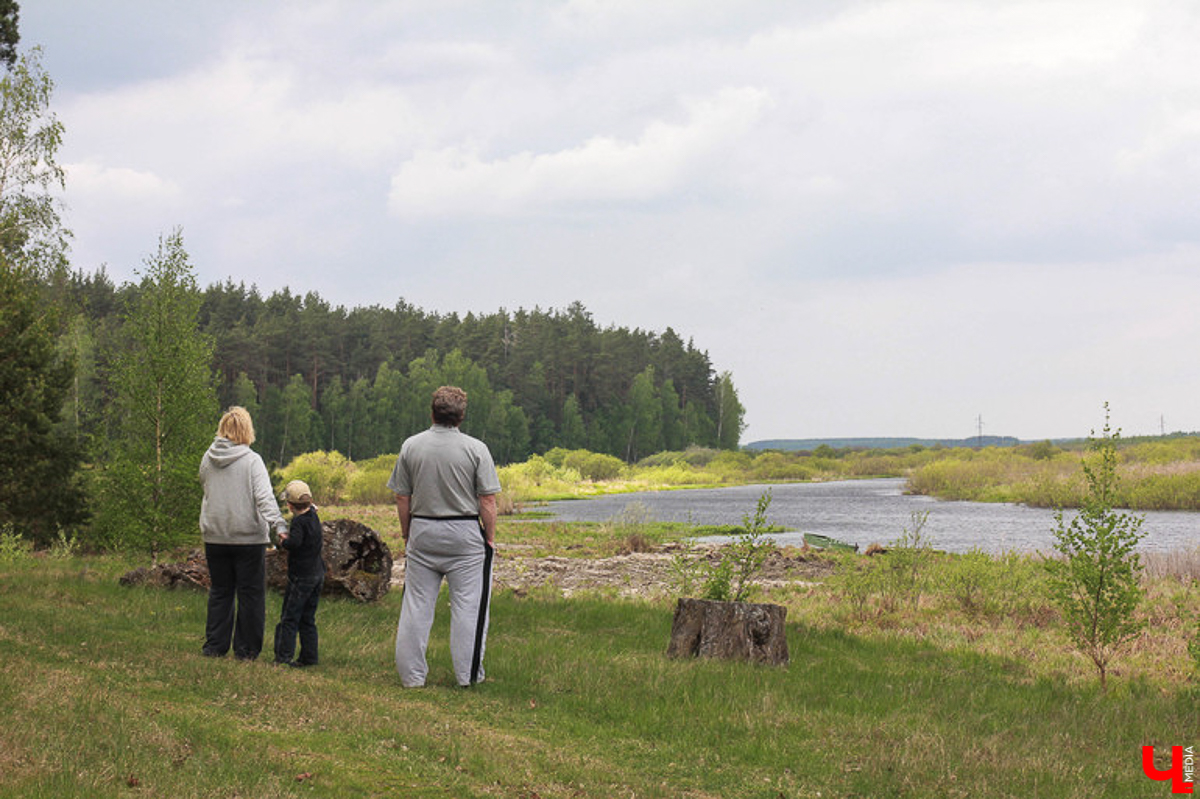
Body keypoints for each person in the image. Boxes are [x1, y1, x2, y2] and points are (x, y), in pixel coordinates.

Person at [389, 385, 502, 687]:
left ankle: (412, 677)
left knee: (416, 605)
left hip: (423, 529)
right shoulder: (476, 449)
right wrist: (489, 538)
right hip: (464, 533)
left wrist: (406, 533)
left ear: (432, 412)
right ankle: (468, 676)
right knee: (468, 607)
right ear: (462, 416)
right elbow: (487, 501)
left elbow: (402, 496)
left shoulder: (411, 446)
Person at [198, 406, 288, 661]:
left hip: (215, 535)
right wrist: (279, 526)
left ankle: (214, 647)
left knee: (220, 591)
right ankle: (246, 650)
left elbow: (205, 486)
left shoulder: (208, 458)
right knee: (250, 594)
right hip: (247, 538)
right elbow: (264, 499)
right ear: (247, 430)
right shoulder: (251, 461)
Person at [273, 479, 325, 668]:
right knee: (307, 618)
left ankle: (282, 657)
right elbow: (311, 509)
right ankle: (309, 658)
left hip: (301, 576)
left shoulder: (298, 522)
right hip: (318, 572)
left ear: (289, 505)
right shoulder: (313, 516)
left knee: (289, 617)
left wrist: (283, 541)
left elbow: (294, 543)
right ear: (309, 502)